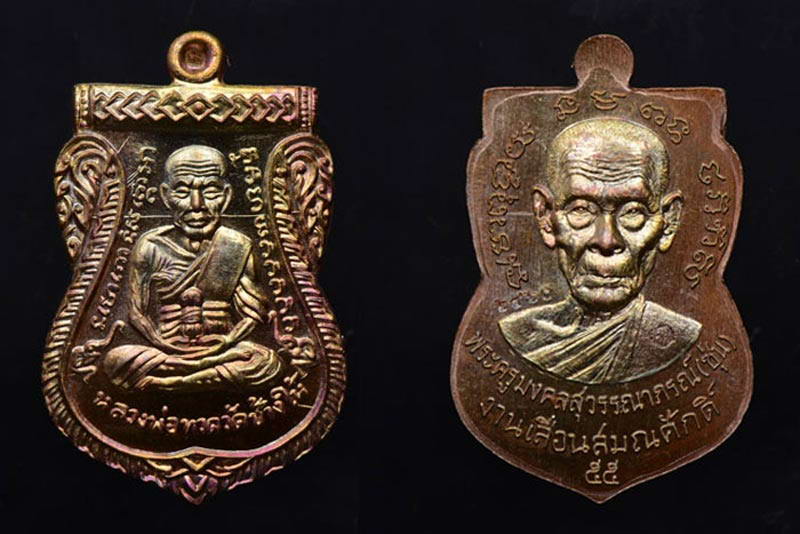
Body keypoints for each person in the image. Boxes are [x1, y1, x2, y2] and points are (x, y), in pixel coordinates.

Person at [498, 118, 701, 384]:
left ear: (668, 223)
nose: (606, 241)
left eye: (632, 212)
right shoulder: (518, 334)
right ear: (545, 218)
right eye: (581, 210)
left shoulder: (678, 338)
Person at [102, 145, 281, 391]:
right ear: (166, 196)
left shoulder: (236, 244)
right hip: (167, 350)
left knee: (267, 361)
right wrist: (162, 344)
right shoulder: (151, 246)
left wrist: (224, 344)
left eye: (210, 190)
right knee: (115, 360)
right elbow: (136, 313)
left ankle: (174, 382)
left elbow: (252, 315)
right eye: (183, 191)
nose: (197, 204)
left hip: (221, 349)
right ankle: (198, 376)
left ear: (227, 195)